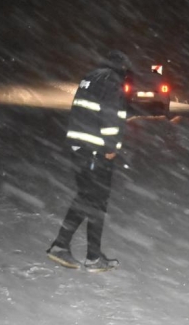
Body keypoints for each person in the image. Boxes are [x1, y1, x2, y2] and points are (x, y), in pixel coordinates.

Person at [47, 50, 130, 273]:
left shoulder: (90, 77)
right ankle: (61, 246)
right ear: (121, 68)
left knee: (94, 200)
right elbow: (110, 115)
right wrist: (111, 146)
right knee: (91, 199)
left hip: (82, 147)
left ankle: (93, 254)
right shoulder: (111, 81)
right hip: (95, 149)